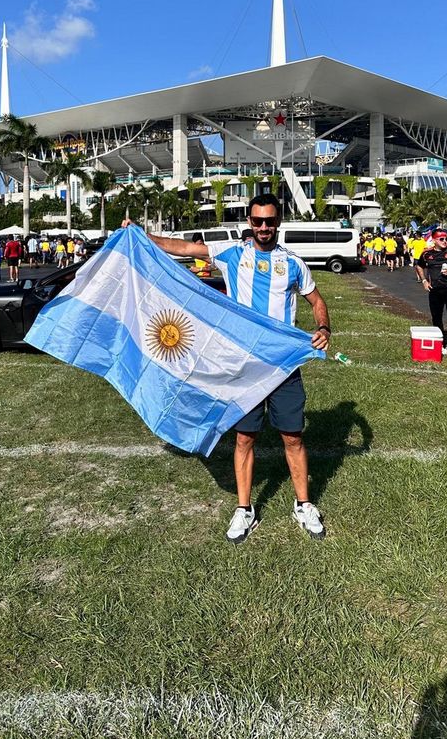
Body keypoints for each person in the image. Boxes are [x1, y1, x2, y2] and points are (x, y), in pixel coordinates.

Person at [124, 193, 332, 544]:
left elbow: (316, 300)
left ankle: (303, 503)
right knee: (244, 438)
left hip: (283, 366)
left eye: (269, 221)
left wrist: (323, 328)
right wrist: (143, 236)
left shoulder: (294, 264)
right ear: (249, 223)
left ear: (278, 223)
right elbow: (187, 249)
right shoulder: (233, 254)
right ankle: (244, 509)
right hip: (243, 367)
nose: (263, 227)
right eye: (257, 221)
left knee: (293, 437)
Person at [415, 229, 447, 357]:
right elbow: (419, 266)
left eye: (446, 239)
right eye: (441, 239)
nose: (445, 241)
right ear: (434, 240)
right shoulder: (427, 254)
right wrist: (424, 281)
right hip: (435, 290)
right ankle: (441, 344)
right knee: (436, 318)